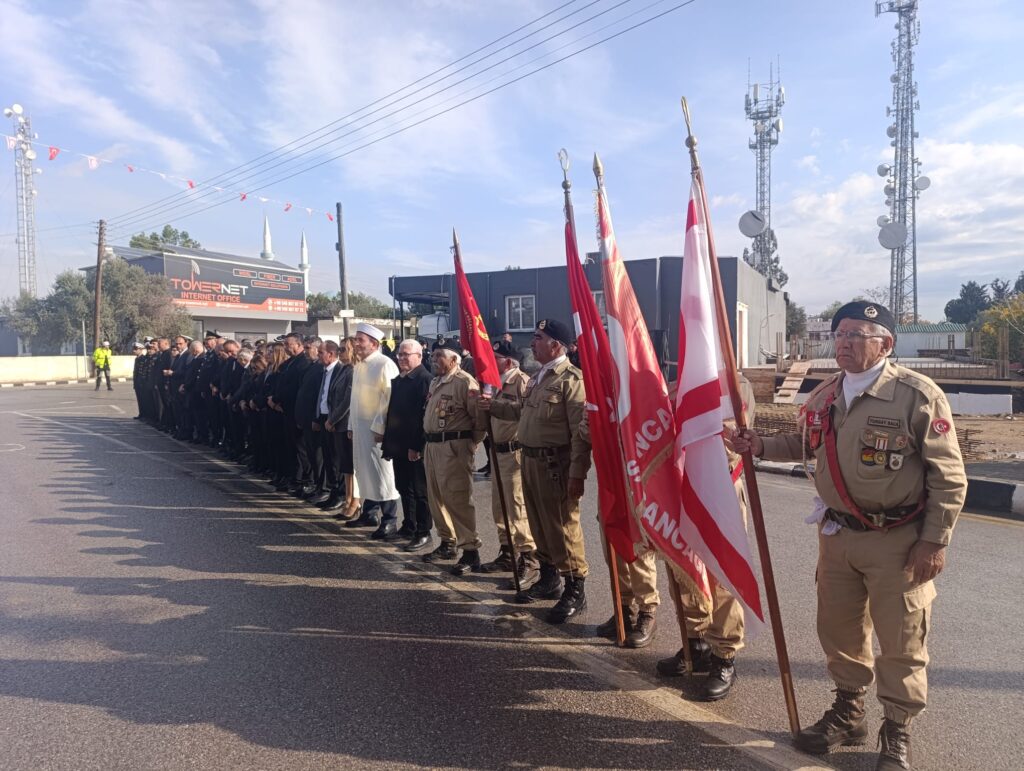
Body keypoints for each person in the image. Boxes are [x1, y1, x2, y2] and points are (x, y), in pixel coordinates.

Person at [732, 302, 967, 770]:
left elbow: (950, 476)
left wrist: (933, 541)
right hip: (837, 536)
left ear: (886, 343)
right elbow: (804, 446)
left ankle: (896, 730)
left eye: (858, 334)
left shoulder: (916, 395)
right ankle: (849, 711)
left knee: (901, 641)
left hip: (897, 541)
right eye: (839, 334)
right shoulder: (824, 394)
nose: (844, 342)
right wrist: (759, 445)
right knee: (839, 632)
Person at [480, 318, 590, 624]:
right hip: (528, 460)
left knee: (563, 527)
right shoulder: (539, 377)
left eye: (538, 337)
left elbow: (580, 433)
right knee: (540, 525)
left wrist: (577, 473)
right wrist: (495, 407)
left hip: (555, 463)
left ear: (555, 345)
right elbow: (522, 412)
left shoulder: (571, 379)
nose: (532, 342)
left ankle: (575, 589)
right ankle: (549, 578)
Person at [656, 374, 758, 699]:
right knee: (684, 567)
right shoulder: (675, 383)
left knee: (721, 575)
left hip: (718, 489)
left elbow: (726, 443)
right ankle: (695, 643)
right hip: (680, 489)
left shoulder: (733, 383)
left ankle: (724, 655)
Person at [475, 339, 539, 588]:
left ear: (509, 361)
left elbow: (525, 411)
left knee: (516, 507)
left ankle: (528, 557)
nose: (492, 361)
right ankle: (507, 552)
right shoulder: (495, 382)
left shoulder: (521, 381)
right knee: (499, 507)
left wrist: (494, 405)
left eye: (497, 357)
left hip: (514, 452)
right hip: (497, 452)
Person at [420, 339, 484, 574]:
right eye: (433, 355)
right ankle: (447, 543)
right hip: (433, 446)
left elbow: (479, 419)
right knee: (436, 497)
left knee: (457, 498)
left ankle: (470, 551)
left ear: (454, 359)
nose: (434, 360)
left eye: (439, 356)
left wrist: (469, 444)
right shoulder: (436, 381)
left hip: (454, 446)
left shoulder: (464, 382)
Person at [346, 323, 401, 538]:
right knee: (363, 470)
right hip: (360, 428)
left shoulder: (384, 364)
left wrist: (380, 427)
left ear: (374, 344)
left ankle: (390, 519)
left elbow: (388, 400)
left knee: (381, 473)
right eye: (356, 339)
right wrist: (351, 425)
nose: (356, 344)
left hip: (376, 430)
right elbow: (355, 400)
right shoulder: (360, 365)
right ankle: (369, 512)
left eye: (361, 340)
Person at [381, 339, 434, 552]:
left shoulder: (424, 379)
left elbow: (422, 417)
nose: (402, 358)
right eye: (400, 354)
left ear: (419, 356)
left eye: (407, 355)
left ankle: (424, 531)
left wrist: (416, 446)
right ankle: (409, 525)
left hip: (414, 446)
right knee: (404, 487)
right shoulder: (400, 379)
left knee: (420, 490)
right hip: (399, 444)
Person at [323, 337, 360, 519]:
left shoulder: (353, 370)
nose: (341, 352)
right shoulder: (344, 369)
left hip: (346, 424)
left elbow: (347, 400)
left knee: (351, 466)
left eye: (344, 349)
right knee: (345, 466)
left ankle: (354, 501)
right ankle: (347, 499)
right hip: (338, 424)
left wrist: (333, 419)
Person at [131, 342, 147, 417]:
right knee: (139, 399)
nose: (134, 351)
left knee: (143, 400)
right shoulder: (137, 359)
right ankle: (141, 414)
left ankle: (144, 414)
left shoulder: (143, 359)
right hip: (137, 382)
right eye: (134, 349)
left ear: (141, 350)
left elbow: (143, 372)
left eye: (136, 349)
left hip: (142, 383)